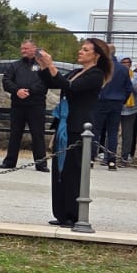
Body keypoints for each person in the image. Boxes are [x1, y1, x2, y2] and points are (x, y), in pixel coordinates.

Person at [37, 37, 111, 228]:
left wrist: (51, 65)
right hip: (64, 124)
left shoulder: (96, 74)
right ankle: (61, 213)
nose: (80, 51)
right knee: (59, 170)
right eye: (81, 48)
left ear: (96, 55)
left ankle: (73, 213)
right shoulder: (77, 71)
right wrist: (44, 66)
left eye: (86, 50)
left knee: (72, 171)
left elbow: (71, 87)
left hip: (79, 126)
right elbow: (57, 82)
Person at [0, 39, 49, 171]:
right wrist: (17, 90)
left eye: (26, 48)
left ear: (34, 49)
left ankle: (41, 164)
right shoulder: (15, 65)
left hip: (36, 105)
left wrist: (30, 91)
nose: (23, 51)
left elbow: (45, 82)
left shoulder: (42, 65)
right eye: (22, 49)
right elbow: (6, 81)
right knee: (15, 134)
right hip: (18, 105)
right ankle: (9, 162)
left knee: (38, 135)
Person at [93, 47, 132, 170]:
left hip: (101, 101)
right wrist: (122, 100)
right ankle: (111, 161)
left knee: (96, 130)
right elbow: (128, 88)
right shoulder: (123, 69)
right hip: (117, 102)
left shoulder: (100, 67)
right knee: (113, 132)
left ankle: (91, 158)